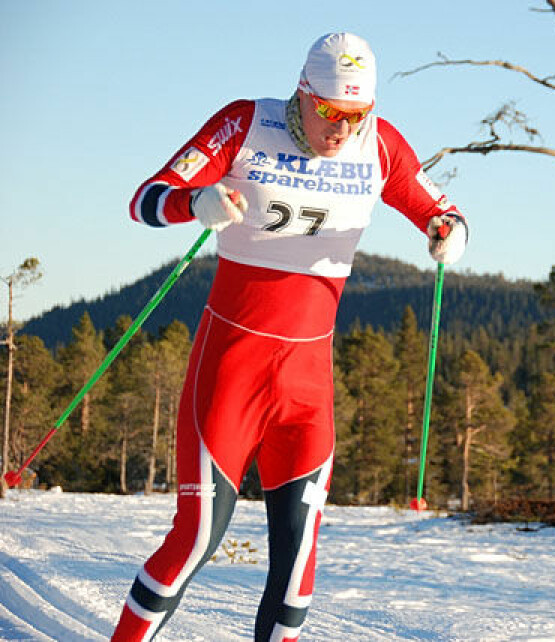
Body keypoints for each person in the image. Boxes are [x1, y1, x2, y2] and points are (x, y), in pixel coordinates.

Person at [112, 32, 467, 642]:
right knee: (197, 538)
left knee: (299, 557)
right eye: (329, 110)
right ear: (303, 93)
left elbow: (443, 211)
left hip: (307, 384)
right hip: (231, 368)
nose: (341, 128)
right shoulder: (245, 124)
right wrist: (194, 203)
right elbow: (145, 199)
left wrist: (448, 231)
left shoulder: (378, 144)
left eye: (356, 115)